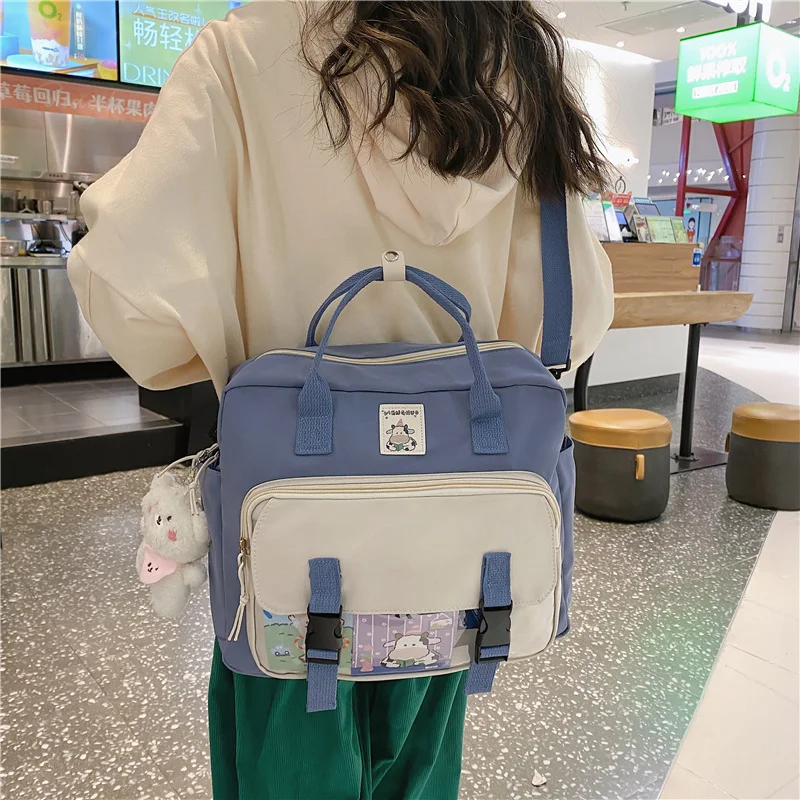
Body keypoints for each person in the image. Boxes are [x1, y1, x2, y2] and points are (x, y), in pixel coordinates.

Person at [68, 2, 614, 798]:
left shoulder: (242, 55)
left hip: (288, 553)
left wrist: (228, 340)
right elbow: (580, 315)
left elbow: (129, 306)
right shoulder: (515, 63)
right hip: (453, 564)